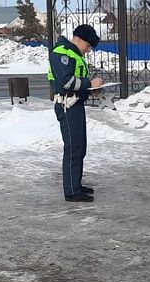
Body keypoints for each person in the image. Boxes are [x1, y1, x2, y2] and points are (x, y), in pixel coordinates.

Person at [48, 24, 103, 202]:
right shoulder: (61, 52)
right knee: (73, 148)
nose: (88, 50)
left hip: (75, 104)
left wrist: (91, 90)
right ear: (78, 39)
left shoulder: (74, 53)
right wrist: (89, 84)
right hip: (67, 106)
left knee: (79, 147)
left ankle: (76, 185)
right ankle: (71, 191)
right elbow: (66, 82)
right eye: (87, 46)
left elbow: (76, 82)